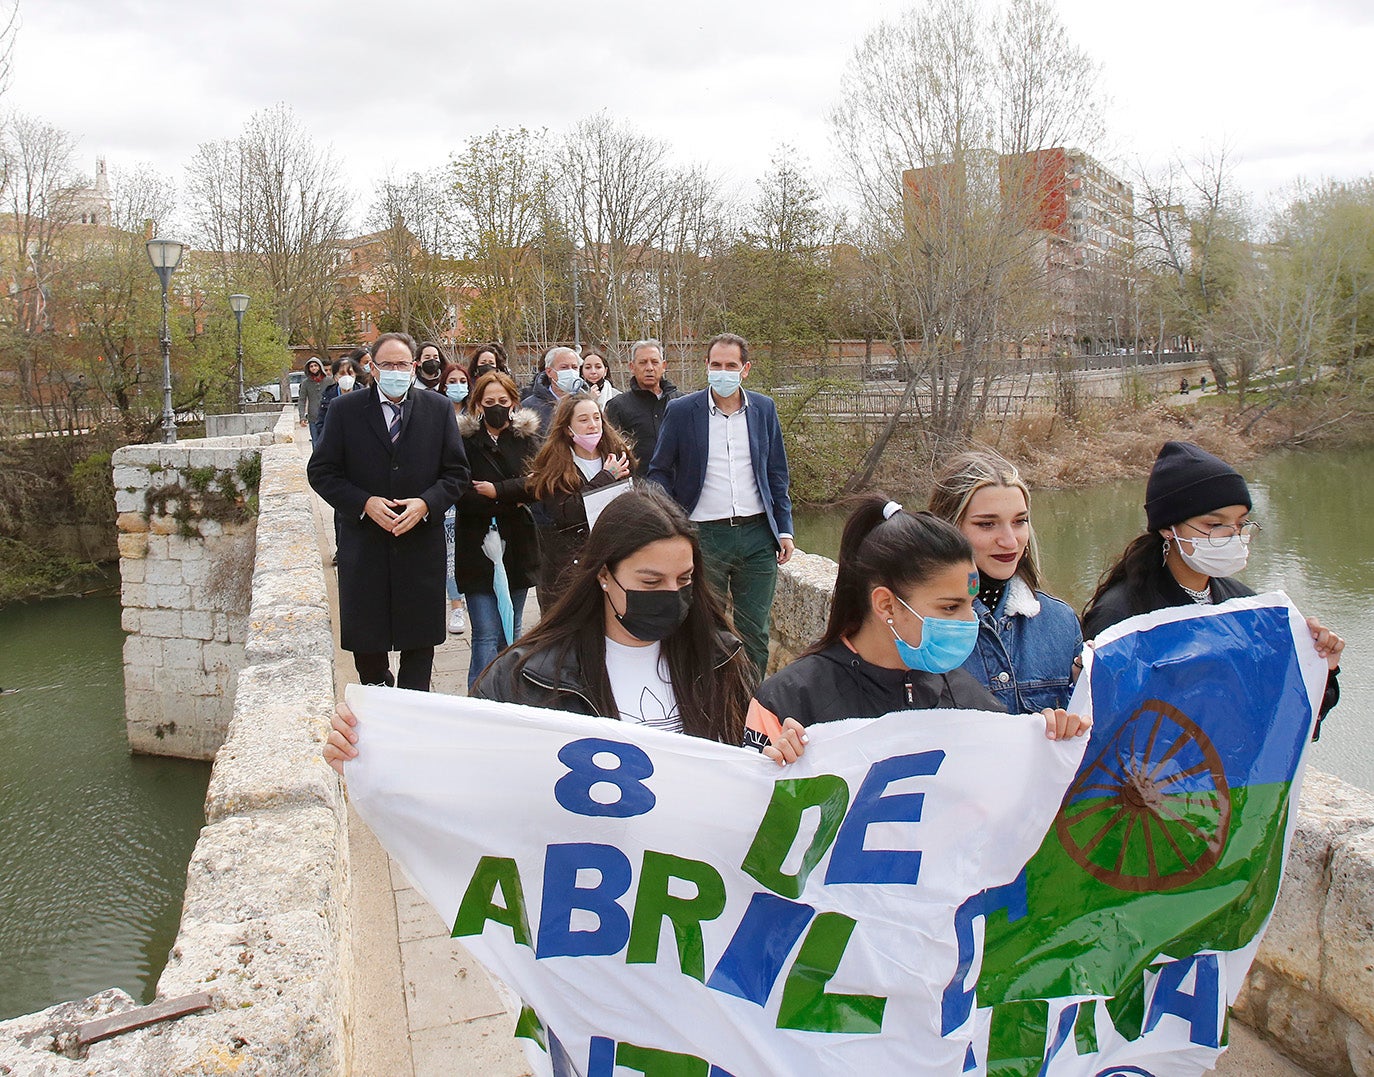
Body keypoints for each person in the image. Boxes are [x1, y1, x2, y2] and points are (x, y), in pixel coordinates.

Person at [323, 485, 755, 774]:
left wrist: (781, 751)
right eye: (650, 582)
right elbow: (465, 771)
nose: (671, 594)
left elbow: (752, 764)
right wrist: (372, 751)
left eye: (683, 581)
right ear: (604, 575)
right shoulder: (524, 678)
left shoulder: (724, 660)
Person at [744, 498, 1090, 766]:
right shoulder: (787, 702)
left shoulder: (974, 704)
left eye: (971, 604)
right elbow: (751, 832)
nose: (970, 621)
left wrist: (1047, 746)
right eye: (949, 608)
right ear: (886, 606)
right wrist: (771, 769)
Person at [1081, 440, 1343, 733]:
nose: (1232, 536)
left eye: (1241, 524)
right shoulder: (1123, 615)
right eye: (1214, 525)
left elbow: (1279, 715)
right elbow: (1102, 727)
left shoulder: (1246, 606)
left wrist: (1321, 667)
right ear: (1169, 528)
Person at [307, 332, 468, 692]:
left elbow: (457, 473)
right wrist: (363, 503)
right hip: (365, 547)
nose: (395, 370)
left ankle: (413, 717)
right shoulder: (344, 411)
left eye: (402, 364)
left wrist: (427, 503)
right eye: (387, 365)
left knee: (419, 650)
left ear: (413, 367)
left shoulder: (437, 409)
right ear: (374, 369)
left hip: (419, 546)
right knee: (369, 653)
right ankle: (376, 704)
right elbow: (322, 472)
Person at [648, 332, 793, 679]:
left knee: (754, 633)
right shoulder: (683, 411)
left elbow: (776, 472)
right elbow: (659, 470)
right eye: (716, 365)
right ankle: (707, 698)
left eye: (731, 365)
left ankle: (751, 706)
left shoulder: (764, 409)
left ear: (745, 369)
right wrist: (673, 521)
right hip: (704, 536)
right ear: (707, 367)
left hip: (758, 535)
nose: (723, 371)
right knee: (704, 626)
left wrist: (784, 528)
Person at [928, 450, 1082, 712]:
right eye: (987, 524)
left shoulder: (1061, 622)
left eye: (1019, 521)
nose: (1010, 542)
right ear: (947, 528)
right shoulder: (917, 630)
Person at [456, 371, 543, 688]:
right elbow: (460, 492)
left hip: (517, 545)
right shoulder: (463, 442)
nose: (496, 407)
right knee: (485, 632)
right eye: (489, 401)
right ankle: (478, 697)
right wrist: (511, 498)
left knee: (511, 628)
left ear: (514, 402)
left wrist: (496, 491)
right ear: (478, 404)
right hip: (476, 545)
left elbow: (537, 486)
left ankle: (509, 693)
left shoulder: (528, 440)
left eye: (503, 401)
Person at [527, 392, 634, 610]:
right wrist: (606, 478)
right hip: (570, 566)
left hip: (614, 557)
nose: (593, 425)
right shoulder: (556, 464)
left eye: (596, 418)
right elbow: (567, 513)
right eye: (583, 420)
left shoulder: (618, 456)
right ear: (568, 428)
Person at [605, 339, 678, 477]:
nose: (649, 368)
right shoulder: (617, 406)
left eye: (654, 362)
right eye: (643, 362)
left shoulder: (681, 402)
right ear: (632, 367)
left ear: (663, 366)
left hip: (678, 486)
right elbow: (612, 451)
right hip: (639, 488)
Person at [441, 362, 470, 634]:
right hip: (447, 492)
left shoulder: (476, 414)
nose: (458, 385)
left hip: (472, 491)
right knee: (450, 550)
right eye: (453, 380)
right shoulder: (435, 412)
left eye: (463, 380)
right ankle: (456, 605)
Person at [521, 345, 584, 435]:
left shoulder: (586, 403)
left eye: (574, 367)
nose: (570, 372)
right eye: (564, 367)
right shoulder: (530, 406)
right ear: (549, 372)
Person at [297, 357, 330, 445]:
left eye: (316, 365)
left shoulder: (329, 381)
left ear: (320, 367)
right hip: (313, 417)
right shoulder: (306, 383)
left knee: (328, 441)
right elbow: (301, 400)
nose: (314, 368)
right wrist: (302, 417)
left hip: (328, 416)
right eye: (311, 366)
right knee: (316, 442)